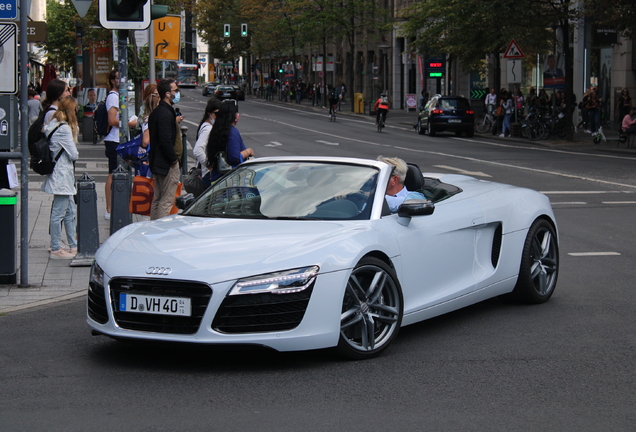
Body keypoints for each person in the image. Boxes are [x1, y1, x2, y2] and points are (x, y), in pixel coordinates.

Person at [41, 97, 79, 260]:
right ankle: (56, 248)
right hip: (62, 176)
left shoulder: (53, 124)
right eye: (75, 109)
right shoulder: (63, 129)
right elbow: (74, 154)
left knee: (70, 211)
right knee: (59, 213)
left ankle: (73, 246)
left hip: (62, 175)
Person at [148, 79, 181, 220]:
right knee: (166, 201)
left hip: (158, 161)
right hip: (166, 163)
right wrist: (174, 160)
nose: (177, 93)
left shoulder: (158, 111)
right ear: (168, 94)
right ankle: (160, 232)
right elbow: (165, 141)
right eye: (175, 91)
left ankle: (153, 228)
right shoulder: (165, 113)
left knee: (158, 198)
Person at [203, 100, 254, 187]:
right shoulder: (232, 132)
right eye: (236, 113)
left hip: (216, 180)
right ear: (232, 115)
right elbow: (234, 158)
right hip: (229, 183)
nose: (238, 115)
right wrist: (247, 152)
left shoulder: (216, 131)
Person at [103, 70, 120, 221]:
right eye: (118, 78)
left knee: (116, 173)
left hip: (116, 139)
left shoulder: (116, 96)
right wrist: (129, 123)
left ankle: (112, 207)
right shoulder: (113, 97)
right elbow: (112, 121)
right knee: (113, 173)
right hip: (113, 139)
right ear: (113, 81)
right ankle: (108, 208)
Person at [137, 84, 160, 176]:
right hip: (151, 159)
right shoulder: (149, 118)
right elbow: (145, 142)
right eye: (156, 95)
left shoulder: (149, 117)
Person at [193, 97, 222, 168]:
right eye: (217, 114)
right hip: (206, 173)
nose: (219, 117)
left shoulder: (205, 125)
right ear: (209, 113)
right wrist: (209, 166)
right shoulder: (208, 129)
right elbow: (197, 150)